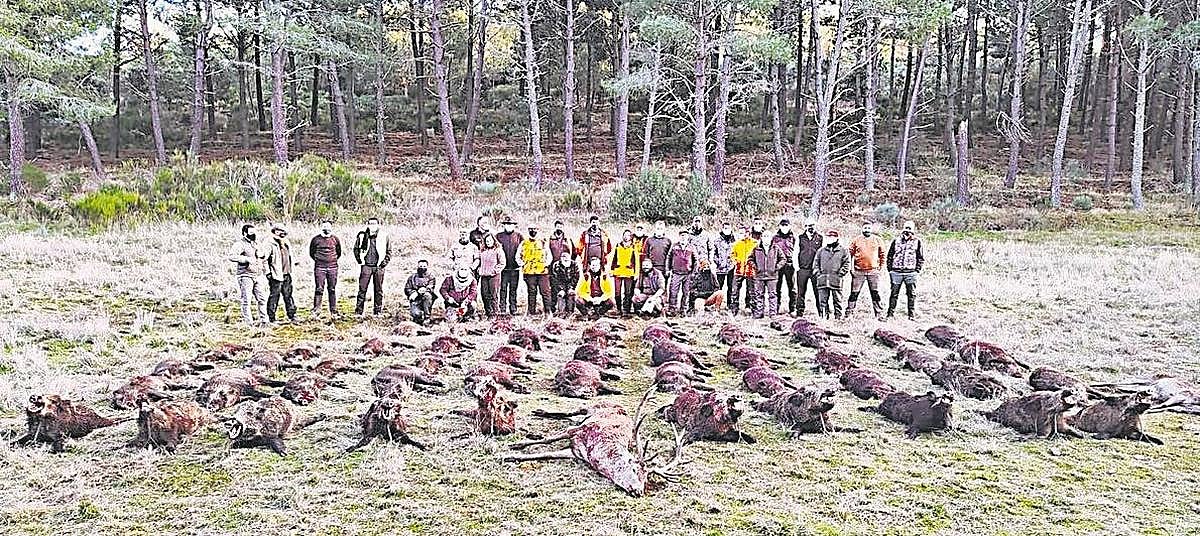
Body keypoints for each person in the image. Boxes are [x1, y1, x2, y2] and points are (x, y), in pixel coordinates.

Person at [227, 224, 268, 326]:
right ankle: (248, 323)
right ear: (244, 233)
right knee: (247, 300)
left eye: (254, 232)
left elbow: (262, 258)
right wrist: (245, 259)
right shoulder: (239, 244)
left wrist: (265, 268)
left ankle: (264, 320)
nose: (253, 235)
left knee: (262, 298)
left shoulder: (257, 244)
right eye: (250, 233)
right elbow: (231, 256)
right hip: (245, 275)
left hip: (258, 275)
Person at [847, 221, 886, 320]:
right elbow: (849, 255)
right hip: (859, 272)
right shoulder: (856, 240)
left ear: (871, 229)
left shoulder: (878, 240)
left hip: (873, 271)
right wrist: (852, 269)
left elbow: (883, 255)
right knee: (854, 293)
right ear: (862, 229)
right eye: (865, 228)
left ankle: (879, 314)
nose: (867, 230)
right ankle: (849, 313)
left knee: (875, 293)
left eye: (869, 228)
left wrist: (880, 269)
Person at [886, 220, 925, 320]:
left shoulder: (917, 242)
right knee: (894, 294)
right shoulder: (896, 240)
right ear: (903, 229)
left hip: (911, 272)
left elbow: (920, 258)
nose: (907, 230)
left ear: (913, 230)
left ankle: (911, 315)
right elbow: (890, 255)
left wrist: (917, 270)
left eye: (909, 228)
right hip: (896, 272)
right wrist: (890, 269)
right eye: (906, 228)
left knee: (911, 294)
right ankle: (890, 314)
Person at [353, 217, 390, 317]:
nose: (372, 225)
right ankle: (359, 311)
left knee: (378, 290)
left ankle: (377, 312)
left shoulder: (384, 235)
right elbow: (356, 249)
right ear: (367, 224)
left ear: (378, 224)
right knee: (362, 289)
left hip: (379, 266)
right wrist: (360, 260)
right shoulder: (362, 236)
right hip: (366, 266)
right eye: (370, 223)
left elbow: (388, 251)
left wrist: (384, 263)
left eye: (374, 223)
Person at [265, 224, 299, 324]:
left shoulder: (286, 242)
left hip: (287, 273)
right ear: (275, 231)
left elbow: (290, 256)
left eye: (284, 231)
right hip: (276, 275)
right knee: (274, 296)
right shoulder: (269, 243)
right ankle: (271, 318)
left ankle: (292, 315)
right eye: (280, 231)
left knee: (288, 295)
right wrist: (268, 273)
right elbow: (264, 259)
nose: (283, 233)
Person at [308, 220, 341, 319]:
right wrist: (319, 260)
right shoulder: (315, 239)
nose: (326, 232)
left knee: (332, 289)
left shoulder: (335, 239)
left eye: (328, 229)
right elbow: (311, 252)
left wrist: (331, 261)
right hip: (320, 267)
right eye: (325, 229)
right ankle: (316, 310)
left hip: (333, 267)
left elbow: (339, 252)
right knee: (319, 289)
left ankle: (333, 311)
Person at [814, 230, 850, 319]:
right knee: (822, 301)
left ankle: (838, 318)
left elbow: (847, 263)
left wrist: (840, 274)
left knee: (837, 300)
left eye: (832, 237)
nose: (830, 239)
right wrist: (818, 273)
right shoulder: (821, 251)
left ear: (837, 238)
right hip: (822, 279)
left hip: (836, 279)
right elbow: (815, 263)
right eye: (828, 237)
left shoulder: (843, 251)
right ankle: (824, 317)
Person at [750, 233, 786, 319]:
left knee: (772, 295)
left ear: (771, 238)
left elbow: (783, 259)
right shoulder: (756, 248)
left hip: (772, 276)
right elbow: (750, 259)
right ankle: (759, 313)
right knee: (759, 295)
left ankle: (773, 313)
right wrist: (756, 267)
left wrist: (776, 267)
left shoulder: (776, 248)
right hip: (759, 276)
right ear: (761, 238)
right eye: (765, 236)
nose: (766, 238)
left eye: (768, 236)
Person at [494, 216, 524, 316]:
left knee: (513, 289)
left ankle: (513, 308)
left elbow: (523, 250)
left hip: (514, 268)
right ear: (504, 225)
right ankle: (502, 308)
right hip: (503, 269)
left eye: (510, 224)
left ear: (514, 225)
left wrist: (522, 263)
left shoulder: (519, 236)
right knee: (502, 288)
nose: (509, 226)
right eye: (507, 224)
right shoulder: (498, 236)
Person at [519, 225, 552, 315]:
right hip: (529, 273)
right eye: (530, 229)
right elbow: (518, 257)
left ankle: (548, 311)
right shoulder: (523, 243)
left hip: (542, 272)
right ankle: (531, 312)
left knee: (545, 292)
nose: (533, 231)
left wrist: (545, 264)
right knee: (531, 292)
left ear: (538, 230)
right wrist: (523, 264)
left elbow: (549, 256)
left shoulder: (543, 242)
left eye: (535, 229)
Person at [665, 230, 696, 316]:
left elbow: (696, 260)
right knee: (673, 291)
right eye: (682, 235)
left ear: (688, 237)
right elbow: (668, 257)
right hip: (676, 273)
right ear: (679, 236)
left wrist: (693, 272)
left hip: (687, 274)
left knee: (686, 292)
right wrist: (667, 269)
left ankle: (683, 310)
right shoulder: (674, 246)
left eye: (685, 236)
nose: (683, 237)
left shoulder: (691, 247)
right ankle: (672, 309)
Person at [795, 217, 822, 316]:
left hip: (815, 270)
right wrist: (797, 267)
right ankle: (799, 313)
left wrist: (820, 268)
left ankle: (821, 312)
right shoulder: (800, 238)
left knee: (818, 292)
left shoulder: (820, 238)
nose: (811, 227)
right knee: (801, 292)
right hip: (803, 269)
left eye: (812, 225)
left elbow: (822, 254)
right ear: (805, 226)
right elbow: (795, 252)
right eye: (809, 225)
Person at [771, 219, 798, 315]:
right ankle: (776, 307)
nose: (784, 228)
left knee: (792, 288)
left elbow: (796, 251)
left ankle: (793, 308)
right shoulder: (774, 238)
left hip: (789, 265)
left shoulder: (793, 238)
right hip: (778, 265)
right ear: (779, 226)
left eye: (786, 225)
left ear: (789, 226)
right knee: (777, 287)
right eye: (782, 225)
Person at [729, 225, 758, 316]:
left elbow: (758, 255)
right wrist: (735, 261)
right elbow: (732, 255)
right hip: (739, 270)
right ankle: (734, 309)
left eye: (744, 232)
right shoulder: (737, 244)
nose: (742, 234)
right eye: (740, 233)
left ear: (748, 233)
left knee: (752, 291)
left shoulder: (755, 243)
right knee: (735, 290)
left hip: (750, 270)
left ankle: (752, 309)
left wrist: (754, 265)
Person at [611, 230, 640, 316]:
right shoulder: (618, 246)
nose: (626, 237)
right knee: (617, 292)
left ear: (631, 237)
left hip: (629, 272)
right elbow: (614, 259)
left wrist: (636, 273)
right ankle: (618, 308)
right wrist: (612, 270)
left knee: (628, 292)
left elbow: (636, 262)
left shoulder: (634, 247)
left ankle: (626, 310)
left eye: (628, 235)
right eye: (625, 235)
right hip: (618, 271)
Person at [477, 234, 506, 318]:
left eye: (490, 240)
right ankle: (488, 312)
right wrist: (479, 269)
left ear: (493, 240)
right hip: (484, 276)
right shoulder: (482, 251)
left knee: (493, 295)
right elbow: (479, 261)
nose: (488, 242)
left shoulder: (498, 250)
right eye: (486, 241)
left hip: (494, 276)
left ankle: (495, 313)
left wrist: (495, 271)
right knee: (484, 294)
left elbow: (502, 263)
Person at [404, 259, 437, 325]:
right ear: (418, 266)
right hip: (415, 299)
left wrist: (420, 291)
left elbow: (430, 287)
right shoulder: (412, 277)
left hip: (426, 299)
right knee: (416, 315)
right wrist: (412, 293)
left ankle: (427, 317)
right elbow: (407, 288)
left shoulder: (431, 277)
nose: (422, 268)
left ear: (427, 267)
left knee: (427, 295)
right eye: (420, 266)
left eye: (424, 266)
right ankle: (418, 317)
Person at [549, 251, 580, 316]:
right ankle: (561, 312)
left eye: (567, 260)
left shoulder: (574, 264)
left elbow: (576, 277)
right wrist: (561, 289)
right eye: (564, 260)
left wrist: (571, 288)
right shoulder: (556, 265)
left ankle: (570, 312)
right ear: (561, 259)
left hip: (570, 284)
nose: (566, 261)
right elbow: (555, 279)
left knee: (571, 294)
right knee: (560, 295)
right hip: (559, 286)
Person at [712, 222, 735, 308]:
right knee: (718, 287)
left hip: (731, 268)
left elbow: (736, 253)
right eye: (725, 228)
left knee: (731, 287)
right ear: (722, 229)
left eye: (728, 228)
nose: (727, 230)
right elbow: (713, 253)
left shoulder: (734, 241)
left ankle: (730, 305)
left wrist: (733, 262)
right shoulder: (717, 241)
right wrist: (718, 262)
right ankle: (717, 305)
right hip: (720, 268)